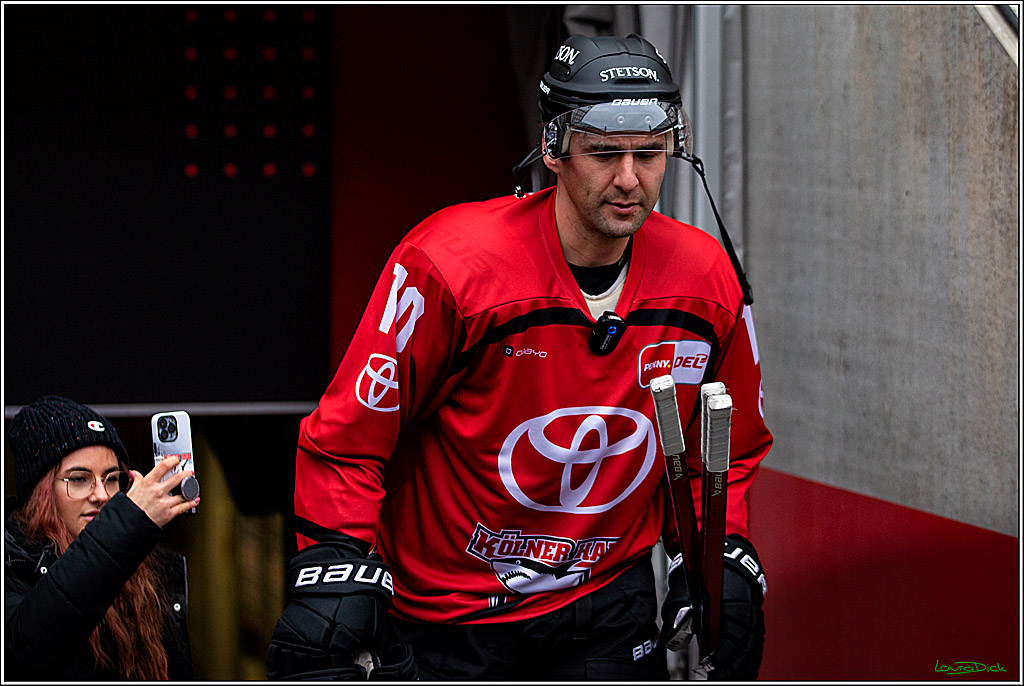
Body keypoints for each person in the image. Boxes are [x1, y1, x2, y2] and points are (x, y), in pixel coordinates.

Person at [267, 33, 772, 680]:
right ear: (553, 150)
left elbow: (724, 451)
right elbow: (349, 441)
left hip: (606, 605)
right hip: (450, 615)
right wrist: (335, 562)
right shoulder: (451, 267)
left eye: (649, 153)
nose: (629, 179)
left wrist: (717, 552)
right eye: (604, 153)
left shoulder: (705, 279)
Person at [4, 395, 200, 680]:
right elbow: (28, 651)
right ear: (40, 493)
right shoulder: (13, 565)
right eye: (79, 479)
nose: (101, 495)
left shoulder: (148, 576)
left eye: (111, 479)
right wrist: (127, 524)